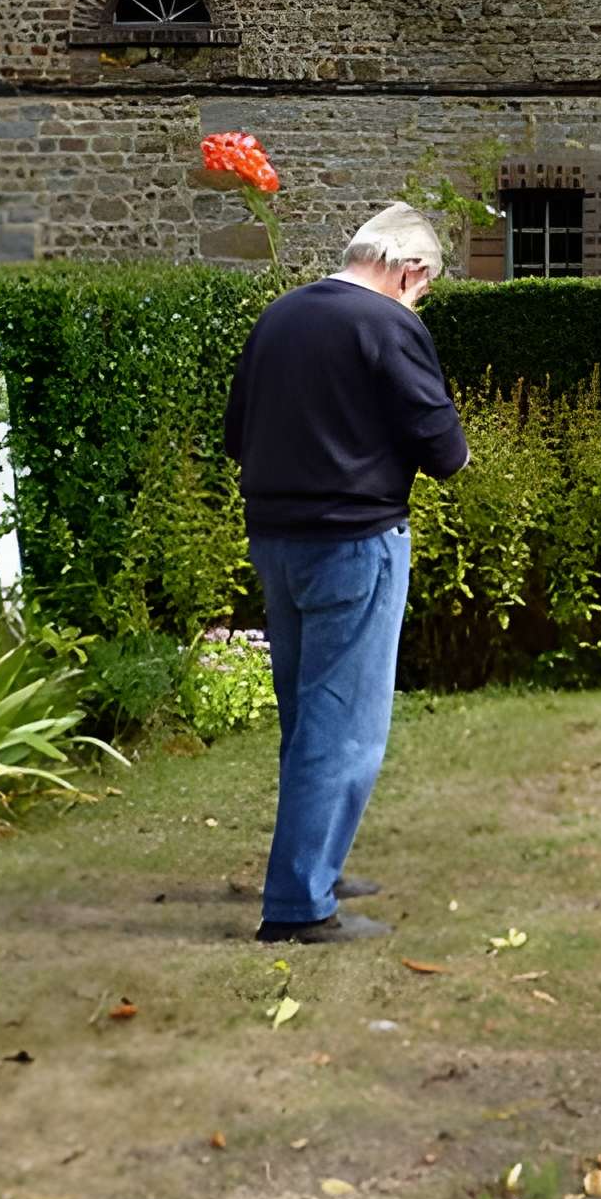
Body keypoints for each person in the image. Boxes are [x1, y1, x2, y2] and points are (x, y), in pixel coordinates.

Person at [222, 203, 470, 946]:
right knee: (346, 729)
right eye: (422, 287)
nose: (419, 298)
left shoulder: (280, 316)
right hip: (355, 543)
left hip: (276, 540)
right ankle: (299, 906)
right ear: (408, 269)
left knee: (308, 718)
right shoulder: (388, 324)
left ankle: (313, 867)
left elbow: (237, 435)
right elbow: (443, 449)